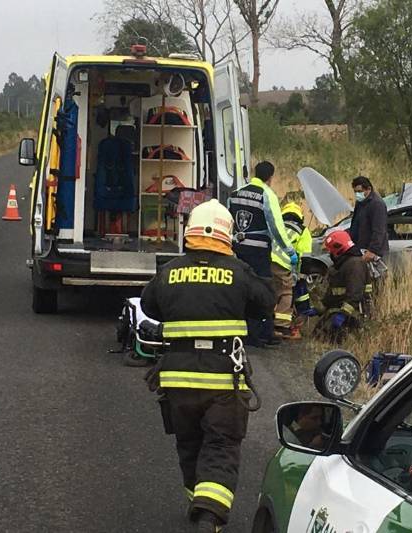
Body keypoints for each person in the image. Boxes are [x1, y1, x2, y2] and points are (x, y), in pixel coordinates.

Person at [140, 199, 275, 533]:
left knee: (189, 444)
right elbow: (266, 303)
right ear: (227, 236)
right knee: (221, 445)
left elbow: (149, 305)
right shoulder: (238, 271)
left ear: (190, 232)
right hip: (223, 382)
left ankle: (198, 503)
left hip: (177, 382)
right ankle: (209, 515)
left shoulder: (169, 271)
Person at [227, 161, 297, 348]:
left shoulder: (235, 193)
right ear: (270, 177)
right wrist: (289, 251)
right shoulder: (267, 195)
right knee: (263, 291)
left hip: (238, 249)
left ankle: (240, 331)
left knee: (240, 289)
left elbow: (228, 220)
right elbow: (276, 226)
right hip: (258, 252)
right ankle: (260, 334)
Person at [315, 230, 369, 341]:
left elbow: (355, 294)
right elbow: (334, 293)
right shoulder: (343, 264)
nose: (330, 254)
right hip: (340, 307)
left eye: (331, 251)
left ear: (338, 250)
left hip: (354, 311)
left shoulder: (354, 265)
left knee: (328, 335)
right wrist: (320, 308)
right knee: (318, 333)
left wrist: (343, 315)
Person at [270, 201, 312, 340]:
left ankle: (264, 322)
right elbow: (305, 257)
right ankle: (280, 326)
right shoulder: (302, 230)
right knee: (286, 292)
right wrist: (302, 275)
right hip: (282, 263)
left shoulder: (277, 225)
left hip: (266, 261)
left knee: (270, 291)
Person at [347, 176, 388, 317]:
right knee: (361, 286)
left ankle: (374, 315)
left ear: (368, 189)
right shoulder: (361, 204)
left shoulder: (377, 205)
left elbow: (379, 230)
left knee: (373, 288)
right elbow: (355, 226)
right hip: (359, 250)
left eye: (359, 191)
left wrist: (372, 251)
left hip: (372, 253)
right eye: (355, 191)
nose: (357, 194)